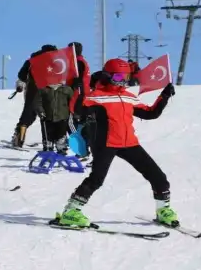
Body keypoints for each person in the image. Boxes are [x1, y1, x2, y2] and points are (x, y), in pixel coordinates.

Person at [54, 58, 178, 228]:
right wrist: (79, 88)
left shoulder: (128, 97)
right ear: (108, 75)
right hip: (106, 143)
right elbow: (77, 109)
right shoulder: (97, 96)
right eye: (119, 77)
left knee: (159, 177)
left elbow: (150, 114)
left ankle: (163, 210)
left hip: (129, 143)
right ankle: (71, 212)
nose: (124, 81)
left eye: (126, 77)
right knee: (96, 179)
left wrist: (164, 96)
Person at [10, 44, 57, 147]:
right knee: (47, 117)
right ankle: (48, 143)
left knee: (28, 115)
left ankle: (19, 139)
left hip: (33, 90)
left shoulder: (32, 60)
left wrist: (21, 85)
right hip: (50, 91)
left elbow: (21, 75)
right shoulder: (56, 61)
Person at [34, 81, 74, 154]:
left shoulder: (66, 89)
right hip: (47, 118)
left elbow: (72, 102)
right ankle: (48, 150)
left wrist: (72, 112)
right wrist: (41, 111)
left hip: (62, 117)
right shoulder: (43, 89)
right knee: (48, 136)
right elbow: (37, 102)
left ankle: (61, 151)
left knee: (61, 136)